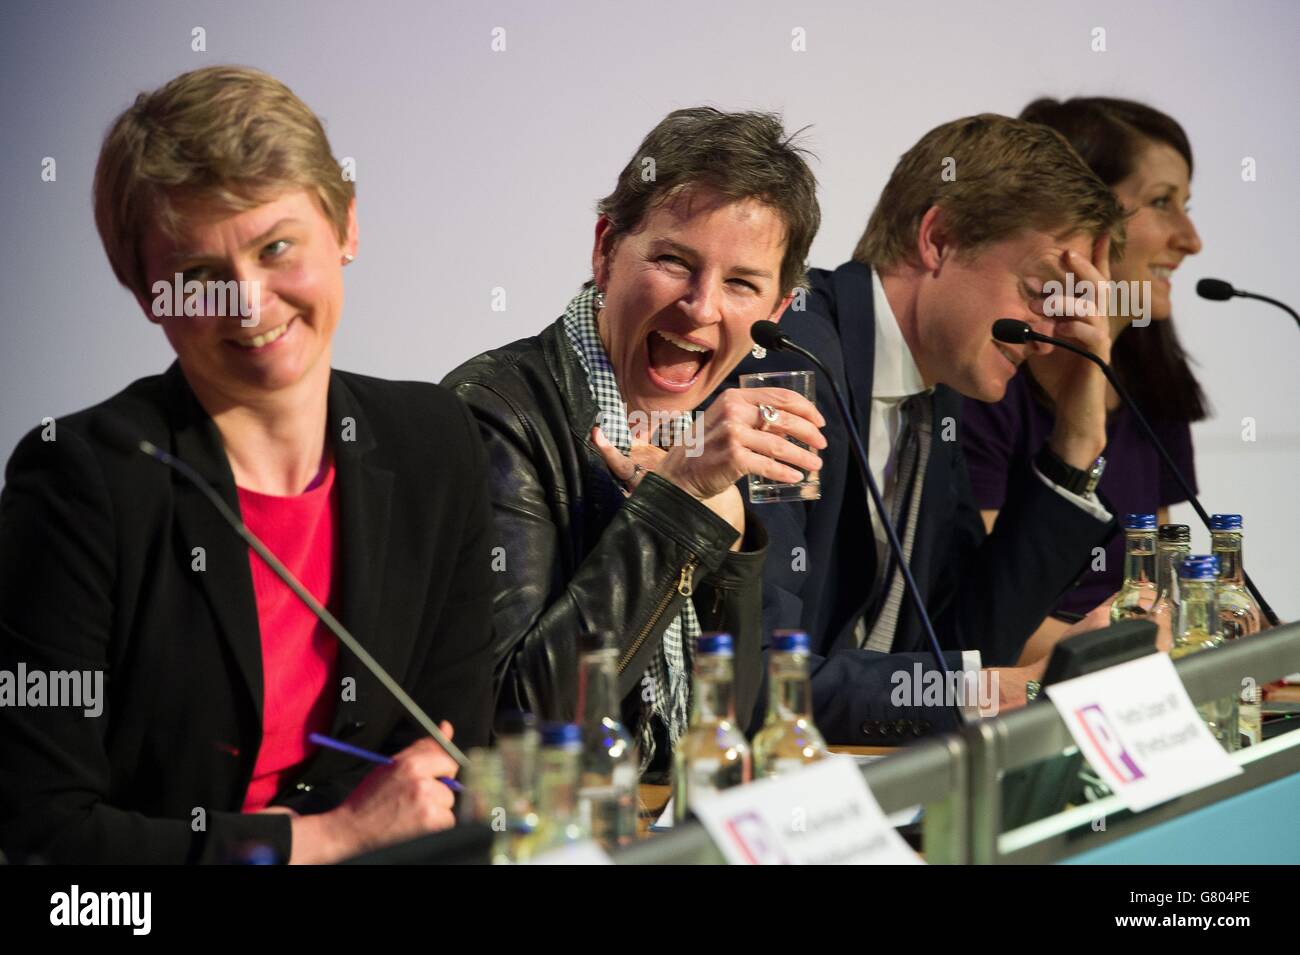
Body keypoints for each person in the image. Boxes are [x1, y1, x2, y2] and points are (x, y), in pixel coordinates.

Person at [0, 66, 496, 864]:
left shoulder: (435, 440)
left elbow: (444, 756)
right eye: (198, 276)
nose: (248, 301)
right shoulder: (78, 482)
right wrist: (329, 838)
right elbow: (45, 841)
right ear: (145, 293)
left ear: (346, 228)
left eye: (276, 248)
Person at [443, 107, 825, 777]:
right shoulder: (495, 411)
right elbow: (519, 724)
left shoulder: (718, 434)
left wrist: (730, 541)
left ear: (777, 310)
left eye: (741, 283)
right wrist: (677, 506)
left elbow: (731, 729)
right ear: (605, 250)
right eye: (675, 261)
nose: (702, 306)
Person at [727, 114, 1126, 743]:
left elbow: (963, 639)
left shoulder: (934, 389)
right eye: (1039, 291)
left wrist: (1076, 444)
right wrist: (995, 690)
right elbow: (764, 680)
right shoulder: (791, 364)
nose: (1049, 336)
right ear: (937, 239)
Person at [962, 97, 1206, 662]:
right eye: (1162, 203)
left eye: (1186, 206)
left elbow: (1158, 588)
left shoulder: (1153, 381)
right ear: (1084, 220)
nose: (1191, 240)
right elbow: (983, 626)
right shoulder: (983, 382)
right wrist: (1147, 653)